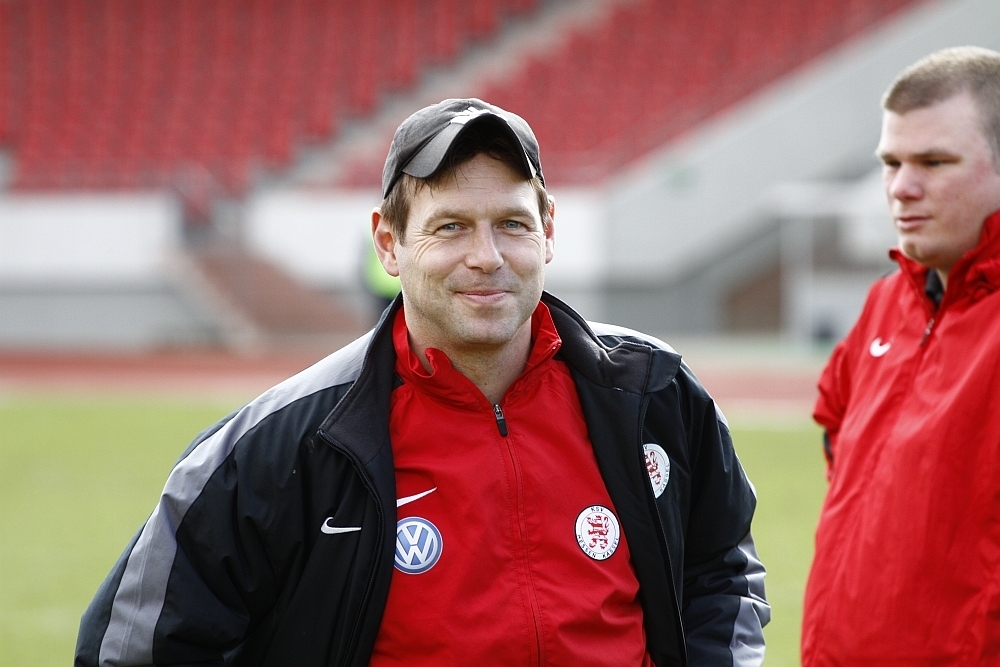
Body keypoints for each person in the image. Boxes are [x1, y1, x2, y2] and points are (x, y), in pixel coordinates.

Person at [76, 99, 768, 666]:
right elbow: (138, 645)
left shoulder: (652, 394)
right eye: (451, 227)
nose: (487, 256)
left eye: (511, 224)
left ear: (548, 231)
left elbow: (722, 571)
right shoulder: (283, 444)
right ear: (389, 243)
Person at [802, 47, 1000, 665]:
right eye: (891, 163)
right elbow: (837, 433)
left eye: (934, 162)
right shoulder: (887, 301)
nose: (901, 188)